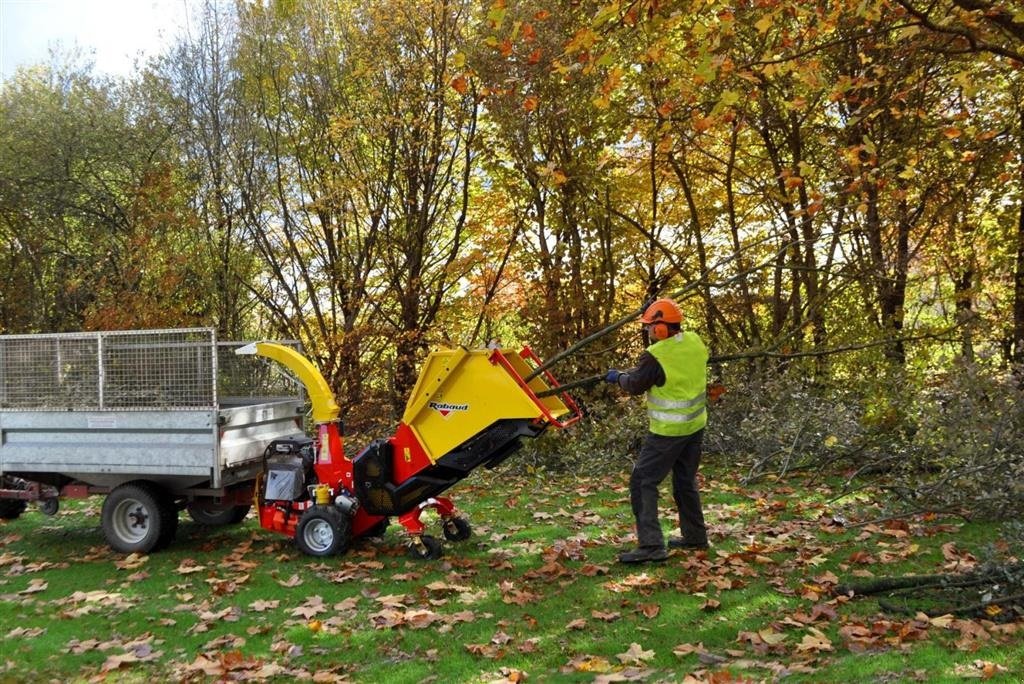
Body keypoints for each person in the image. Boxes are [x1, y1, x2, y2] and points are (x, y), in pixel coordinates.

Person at [605, 298, 710, 564]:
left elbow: (636, 385)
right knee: (685, 481)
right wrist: (636, 372)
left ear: (662, 328)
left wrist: (618, 377)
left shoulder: (656, 355)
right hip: (695, 426)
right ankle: (695, 535)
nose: (649, 331)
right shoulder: (695, 341)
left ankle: (651, 545)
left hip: (668, 431)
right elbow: (666, 373)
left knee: (642, 482)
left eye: (651, 326)